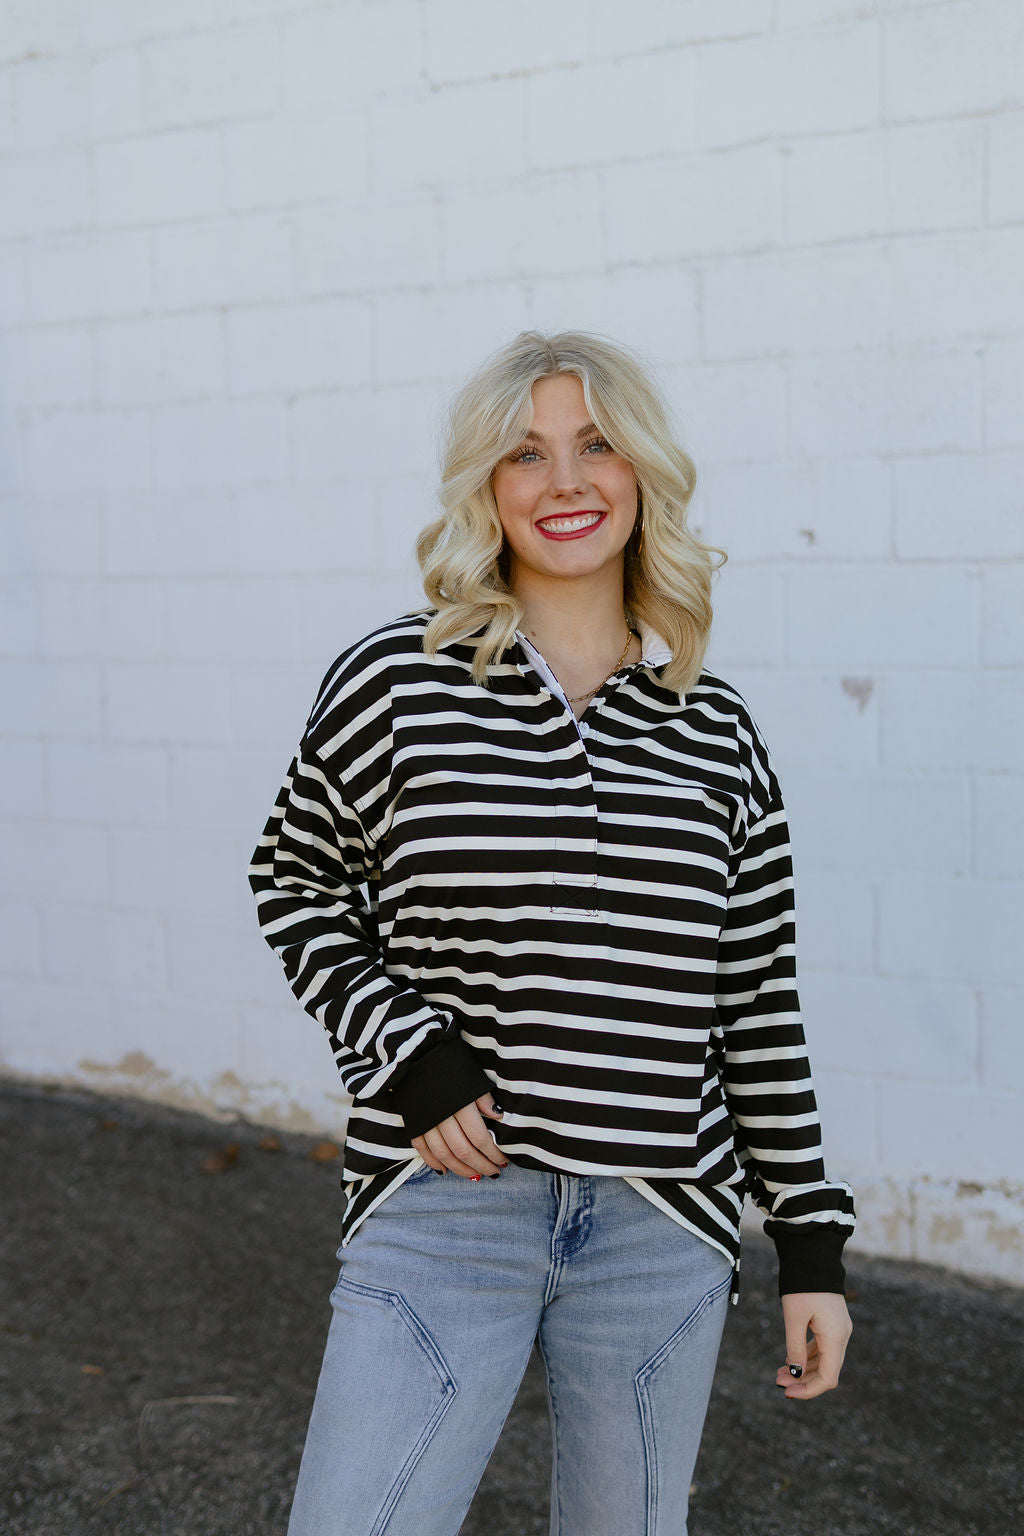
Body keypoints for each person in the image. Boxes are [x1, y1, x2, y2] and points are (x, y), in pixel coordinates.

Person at [249, 330, 855, 1536]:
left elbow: (755, 1006)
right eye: (525, 453)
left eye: (596, 445)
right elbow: (295, 879)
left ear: (643, 475)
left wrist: (811, 1247)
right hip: (443, 1210)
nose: (564, 481)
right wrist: (403, 1047)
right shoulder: (395, 682)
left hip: (658, 1224)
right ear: (486, 483)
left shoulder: (716, 731)